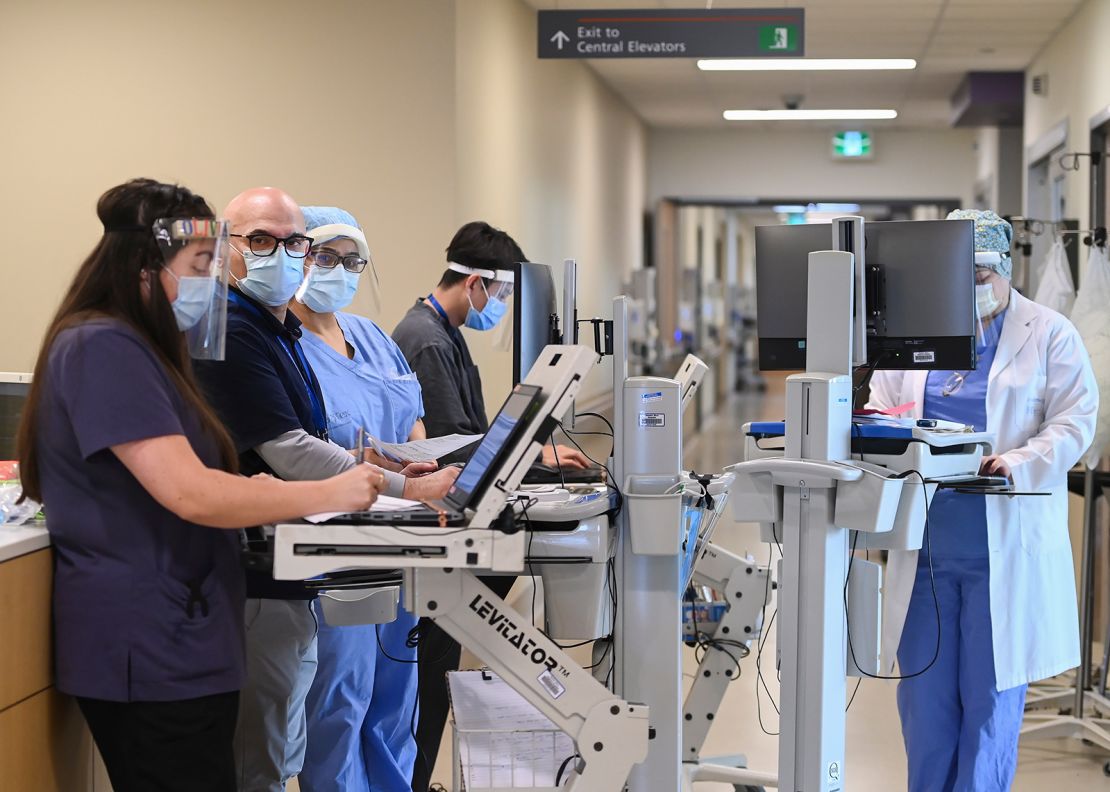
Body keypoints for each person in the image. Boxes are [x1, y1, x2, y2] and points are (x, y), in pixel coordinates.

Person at [14, 179, 384, 792]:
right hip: (149, 639)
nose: (213, 281)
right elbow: (191, 491)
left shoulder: (150, 351)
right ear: (143, 266)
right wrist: (323, 493)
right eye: (201, 264)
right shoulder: (102, 346)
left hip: (185, 632)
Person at [194, 188, 457, 792]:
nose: (283, 257)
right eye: (260, 240)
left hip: (329, 550)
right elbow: (290, 451)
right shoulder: (231, 329)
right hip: (273, 559)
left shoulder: (277, 329)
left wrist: (387, 465)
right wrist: (398, 485)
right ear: (223, 245)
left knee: (383, 702)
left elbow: (323, 436)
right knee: (318, 717)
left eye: (294, 245)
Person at [867, 209, 1099, 791]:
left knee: (989, 705)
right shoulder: (917, 332)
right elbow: (884, 408)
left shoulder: (1048, 332)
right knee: (924, 706)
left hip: (1003, 554)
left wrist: (1017, 461)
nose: (969, 289)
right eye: (957, 276)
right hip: (923, 553)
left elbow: (1076, 421)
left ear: (1003, 268)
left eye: (979, 276)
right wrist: (881, 429)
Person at [392, 220, 590, 791]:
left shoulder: (445, 333)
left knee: (437, 672)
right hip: (437, 527)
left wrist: (535, 455)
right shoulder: (426, 338)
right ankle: (412, 779)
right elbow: (457, 446)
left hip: (453, 511)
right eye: (500, 294)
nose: (499, 307)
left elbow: (473, 436)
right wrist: (539, 457)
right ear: (475, 282)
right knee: (428, 679)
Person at [292, 207, 426, 791]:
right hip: (337, 551)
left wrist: (417, 464)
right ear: (298, 255)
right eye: (326, 257)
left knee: (397, 695)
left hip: (402, 538)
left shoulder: (370, 336)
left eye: (352, 261)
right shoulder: (281, 345)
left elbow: (414, 422)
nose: (340, 271)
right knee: (340, 700)